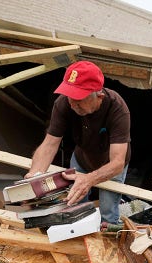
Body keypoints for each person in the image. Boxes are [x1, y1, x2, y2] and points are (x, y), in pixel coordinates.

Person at [26, 60, 131, 227]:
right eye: (69, 95)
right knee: (74, 205)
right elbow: (49, 144)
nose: (72, 103)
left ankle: (104, 239)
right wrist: (34, 176)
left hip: (110, 165)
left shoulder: (117, 108)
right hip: (82, 159)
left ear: (99, 96)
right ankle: (78, 232)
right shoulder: (63, 104)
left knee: (108, 211)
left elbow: (117, 163)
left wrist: (89, 180)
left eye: (79, 98)